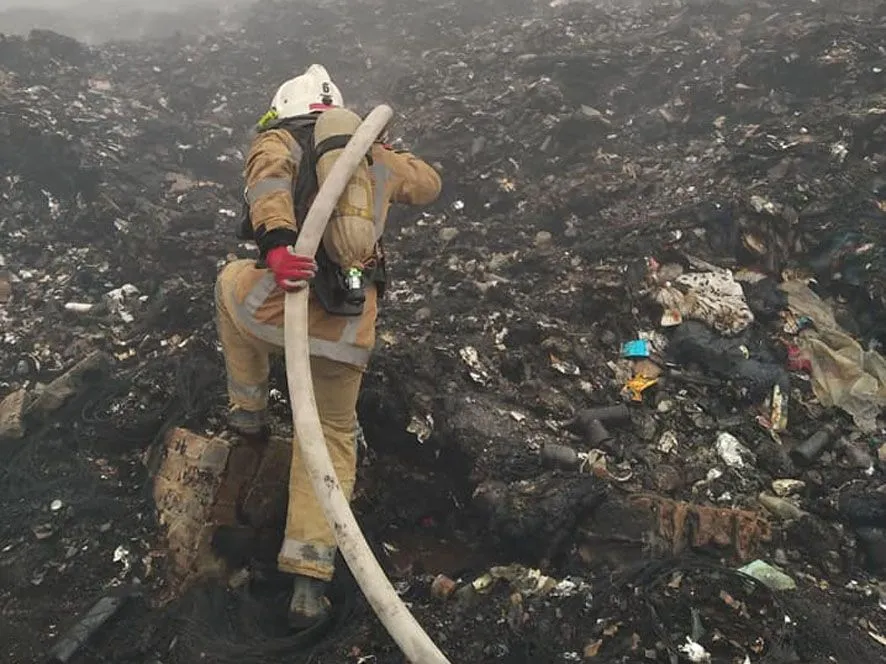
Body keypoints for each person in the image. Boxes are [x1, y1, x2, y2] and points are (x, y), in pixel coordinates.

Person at [213, 64, 441, 629]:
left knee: (226, 285)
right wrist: (379, 150)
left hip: (276, 306)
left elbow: (266, 184)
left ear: (284, 105)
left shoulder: (278, 137)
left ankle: (249, 416)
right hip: (348, 327)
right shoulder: (370, 157)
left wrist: (275, 247)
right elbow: (431, 184)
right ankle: (309, 583)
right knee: (334, 436)